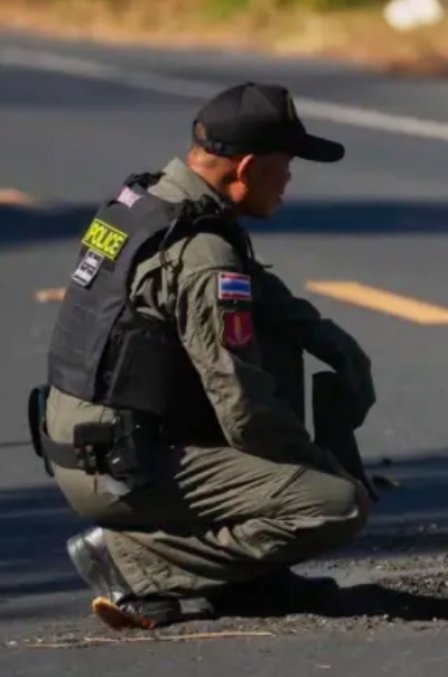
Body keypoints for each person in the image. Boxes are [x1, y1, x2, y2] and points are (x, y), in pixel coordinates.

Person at [31, 82, 375, 629]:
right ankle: (134, 562)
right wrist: (311, 462)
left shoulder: (147, 203)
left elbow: (261, 294)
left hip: (93, 444)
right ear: (244, 168)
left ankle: (250, 577)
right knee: (334, 504)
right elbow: (240, 406)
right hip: (123, 468)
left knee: (275, 336)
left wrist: (335, 344)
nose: (289, 179)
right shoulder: (203, 255)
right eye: (284, 164)